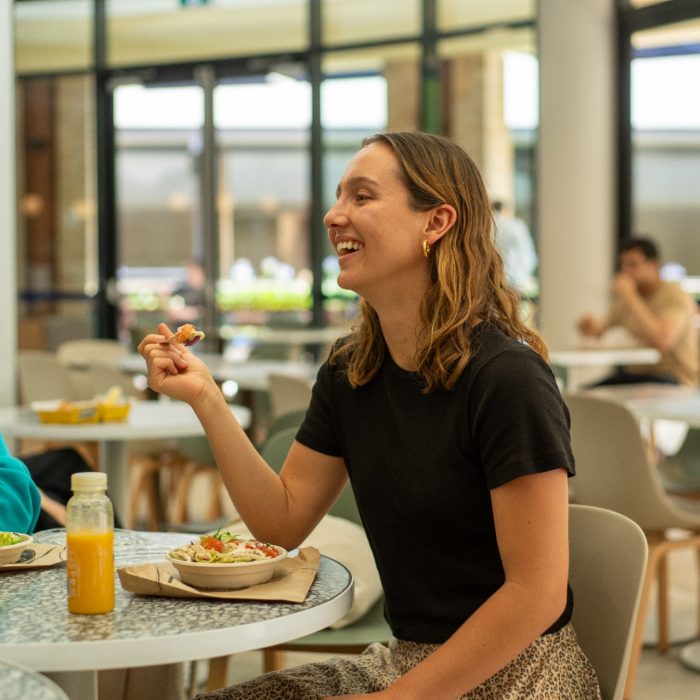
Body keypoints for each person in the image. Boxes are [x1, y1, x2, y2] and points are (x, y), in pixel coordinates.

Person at [139, 131, 600, 699]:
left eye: (362, 196)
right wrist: (207, 399)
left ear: (436, 223)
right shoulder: (351, 370)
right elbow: (280, 524)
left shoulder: (507, 379)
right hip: (401, 664)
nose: (334, 216)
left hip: (519, 677)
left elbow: (537, 594)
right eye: (339, 197)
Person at [577, 237, 698, 386]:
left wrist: (630, 297)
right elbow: (601, 329)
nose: (626, 271)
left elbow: (663, 339)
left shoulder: (674, 295)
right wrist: (589, 326)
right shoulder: (628, 297)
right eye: (623, 265)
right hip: (638, 375)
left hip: (674, 378)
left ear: (653, 265)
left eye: (633, 265)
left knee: (606, 397)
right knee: (586, 394)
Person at [492, 199, 538, 293]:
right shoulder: (515, 226)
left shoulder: (487, 226)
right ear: (504, 209)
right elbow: (528, 253)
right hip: (514, 280)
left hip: (492, 279)